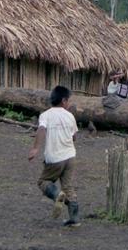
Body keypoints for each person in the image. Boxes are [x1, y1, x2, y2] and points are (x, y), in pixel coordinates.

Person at [28, 85, 80, 227]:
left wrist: (35, 148)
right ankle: (74, 219)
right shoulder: (70, 116)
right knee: (68, 187)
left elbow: (41, 129)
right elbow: (74, 137)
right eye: (68, 101)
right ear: (63, 101)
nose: (69, 103)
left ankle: (57, 195)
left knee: (43, 181)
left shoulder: (46, 115)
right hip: (70, 156)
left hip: (55, 158)